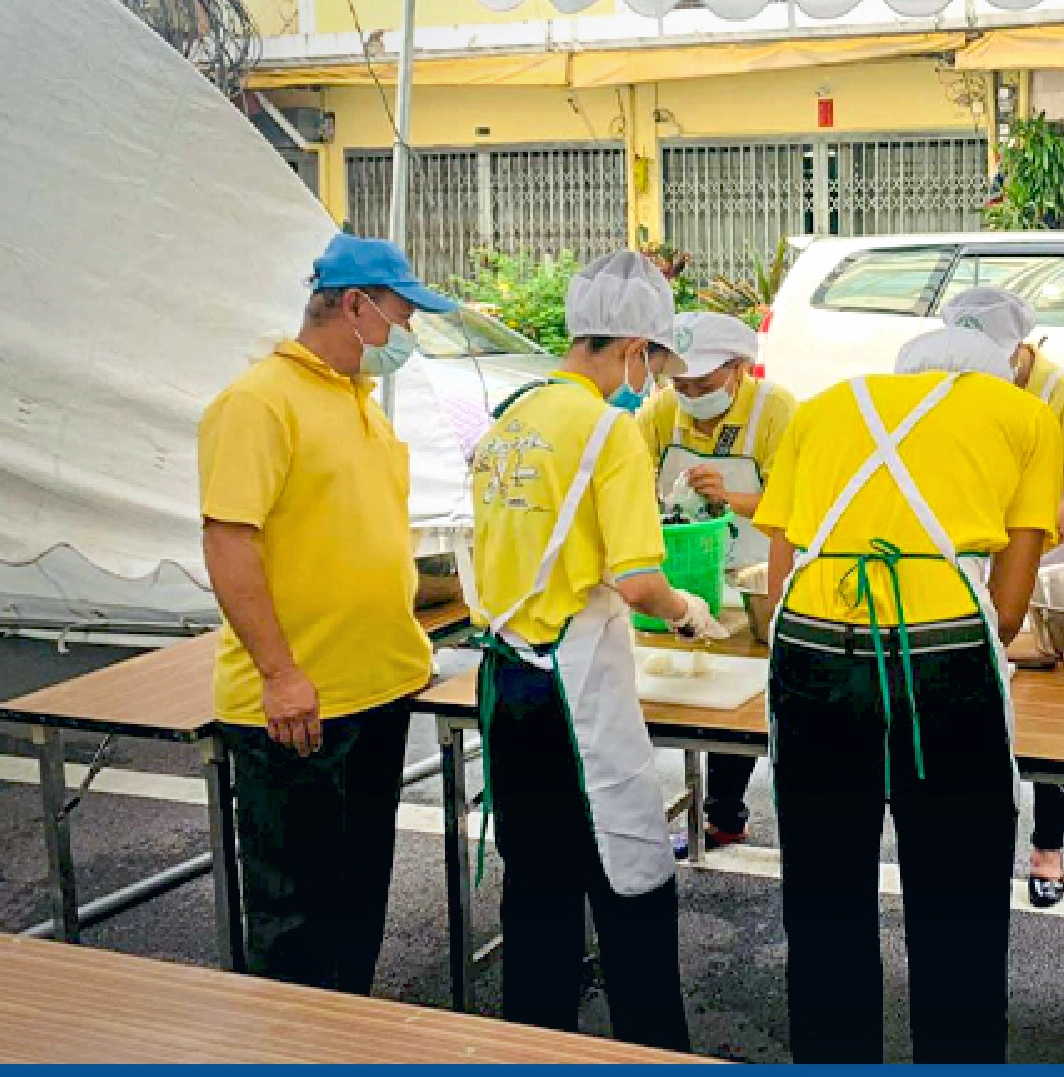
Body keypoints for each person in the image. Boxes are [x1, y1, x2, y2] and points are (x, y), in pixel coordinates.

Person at [752, 346, 1064, 1062]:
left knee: (823, 897)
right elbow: (1008, 609)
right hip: (942, 656)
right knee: (958, 903)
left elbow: (776, 582)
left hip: (811, 649)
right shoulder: (1025, 415)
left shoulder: (822, 407)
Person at [467, 250, 723, 1050]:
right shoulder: (609, 430)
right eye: (655, 364)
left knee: (536, 894)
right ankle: (652, 1053)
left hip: (506, 678)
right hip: (572, 694)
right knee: (632, 879)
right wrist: (688, 612)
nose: (652, 381)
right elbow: (641, 580)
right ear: (634, 349)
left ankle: (535, 1048)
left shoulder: (512, 417)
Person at [199, 232, 451, 991]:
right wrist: (280, 674)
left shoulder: (358, 401)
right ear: (356, 307)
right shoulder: (258, 403)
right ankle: (298, 1043)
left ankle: (348, 1034)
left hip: (377, 690)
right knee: (297, 921)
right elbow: (229, 540)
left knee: (357, 902)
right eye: (402, 315)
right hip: (303, 705)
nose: (406, 332)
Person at [938, 286, 1064, 909]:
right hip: (986, 552)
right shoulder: (955, 384)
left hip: (1057, 556)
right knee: (988, 698)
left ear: (1022, 347)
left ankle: (1048, 846)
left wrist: (1027, 547)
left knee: (1051, 715)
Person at [637, 309, 797, 848]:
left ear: (739, 369)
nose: (689, 394)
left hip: (757, 577)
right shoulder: (661, 412)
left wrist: (732, 497)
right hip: (689, 571)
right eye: (680, 383)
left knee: (748, 697)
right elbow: (630, 478)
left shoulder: (776, 412)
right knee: (692, 684)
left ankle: (725, 812)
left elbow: (801, 504)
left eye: (702, 384)